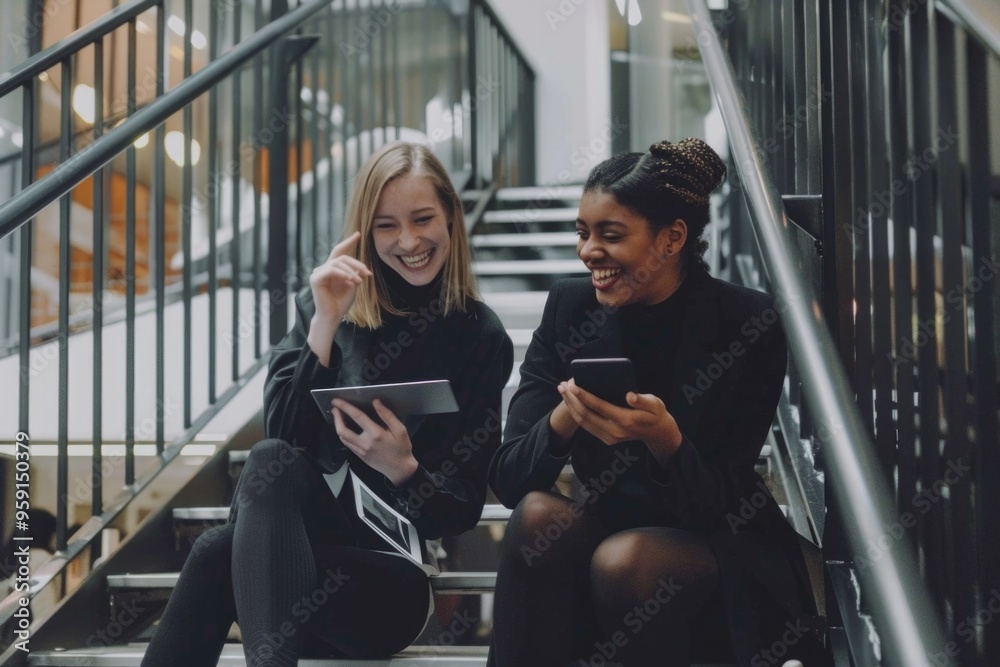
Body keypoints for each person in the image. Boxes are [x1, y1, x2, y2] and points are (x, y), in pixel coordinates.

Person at [141, 141, 513, 667]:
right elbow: (281, 449)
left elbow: (460, 512)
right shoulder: (325, 309)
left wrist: (405, 468)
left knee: (216, 550)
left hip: (385, 587)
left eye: (423, 218)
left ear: (451, 217)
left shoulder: (481, 335)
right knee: (257, 482)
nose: (408, 241)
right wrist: (325, 322)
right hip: (285, 575)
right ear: (364, 231)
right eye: (386, 225)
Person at [487, 138, 829, 667]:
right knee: (536, 517)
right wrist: (564, 418)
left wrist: (665, 441)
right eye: (582, 233)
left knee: (627, 561)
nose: (588, 252)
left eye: (610, 235)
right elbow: (509, 480)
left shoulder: (746, 321)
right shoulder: (569, 307)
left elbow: (723, 499)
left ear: (672, 238)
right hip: (608, 525)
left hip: (713, 545)